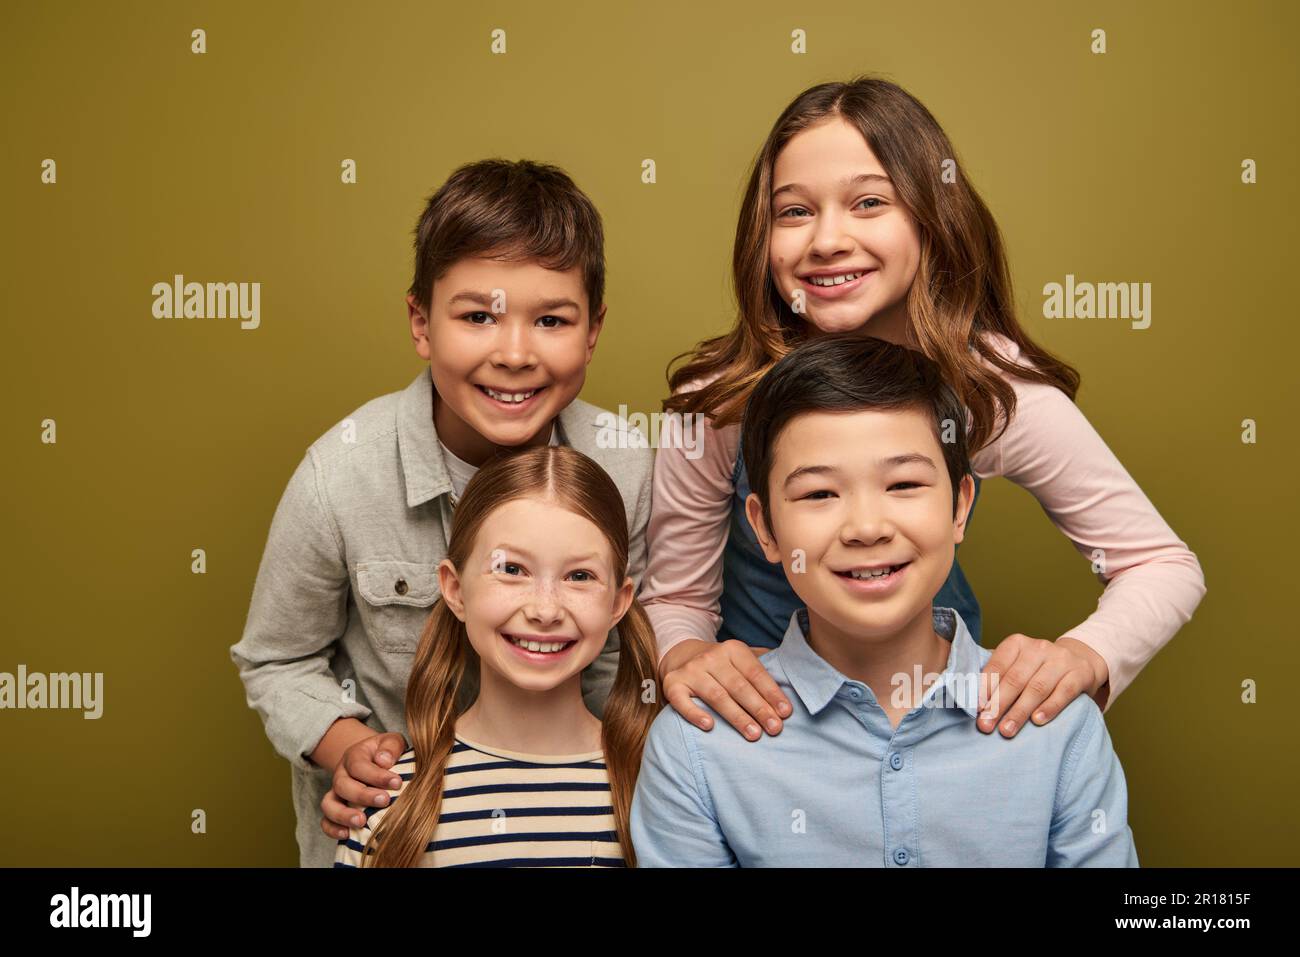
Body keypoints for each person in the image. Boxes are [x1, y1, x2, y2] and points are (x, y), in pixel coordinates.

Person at [640, 75, 1204, 744]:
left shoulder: (989, 387)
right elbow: (676, 596)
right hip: (768, 727)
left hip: (936, 722)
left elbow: (1162, 563)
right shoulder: (722, 396)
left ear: (933, 216)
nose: (826, 239)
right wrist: (684, 656)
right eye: (794, 212)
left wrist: (1084, 656)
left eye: (869, 201)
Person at [230, 159, 654, 867]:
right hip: (398, 835)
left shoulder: (627, 466)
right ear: (422, 323)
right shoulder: (339, 475)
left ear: (592, 329)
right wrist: (348, 751)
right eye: (478, 316)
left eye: (550, 319)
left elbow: (622, 659)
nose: (513, 352)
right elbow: (276, 657)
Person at [631, 334, 1138, 866]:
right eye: (819, 494)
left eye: (902, 484)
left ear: (960, 506)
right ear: (765, 528)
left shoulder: (1059, 730)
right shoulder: (698, 744)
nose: (867, 528)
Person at [336, 445, 661, 867]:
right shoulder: (387, 802)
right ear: (454, 589)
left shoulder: (661, 788)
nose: (545, 610)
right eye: (511, 570)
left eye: (579, 576)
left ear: (619, 602)